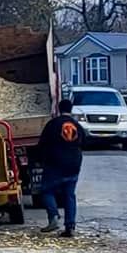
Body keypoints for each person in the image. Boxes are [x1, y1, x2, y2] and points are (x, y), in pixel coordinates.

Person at [35, 98, 85, 238]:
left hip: (55, 164)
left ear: (58, 108)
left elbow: (42, 144)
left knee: (46, 190)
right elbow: (84, 143)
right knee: (69, 195)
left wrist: (39, 160)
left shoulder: (52, 124)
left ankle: (53, 217)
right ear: (71, 109)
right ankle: (70, 226)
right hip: (73, 165)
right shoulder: (77, 125)